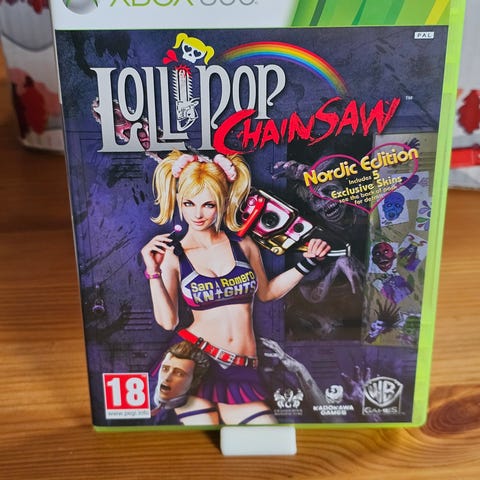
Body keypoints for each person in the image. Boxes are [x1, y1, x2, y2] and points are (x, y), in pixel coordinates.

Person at [141, 149, 331, 425]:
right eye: (189, 203)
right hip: (192, 359)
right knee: (205, 438)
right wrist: (153, 270)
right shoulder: (174, 254)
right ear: (179, 200)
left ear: (222, 201)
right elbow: (168, 321)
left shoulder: (244, 245)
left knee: (265, 433)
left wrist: (308, 262)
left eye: (208, 204)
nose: (197, 214)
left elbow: (266, 293)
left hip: (242, 367)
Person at [151, 341, 219, 425]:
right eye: (165, 369)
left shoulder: (201, 413)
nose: (167, 378)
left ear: (194, 381)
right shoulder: (142, 389)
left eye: (179, 373)